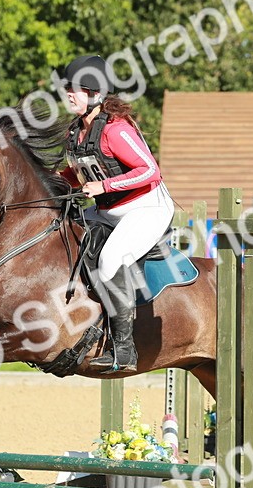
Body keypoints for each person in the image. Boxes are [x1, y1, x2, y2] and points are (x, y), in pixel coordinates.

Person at [59, 54, 175, 373]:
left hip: (146, 208)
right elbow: (76, 173)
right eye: (66, 87)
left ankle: (124, 350)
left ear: (94, 94)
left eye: (74, 88)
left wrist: (104, 186)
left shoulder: (116, 130)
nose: (68, 93)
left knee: (110, 260)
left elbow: (150, 170)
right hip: (107, 210)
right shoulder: (76, 132)